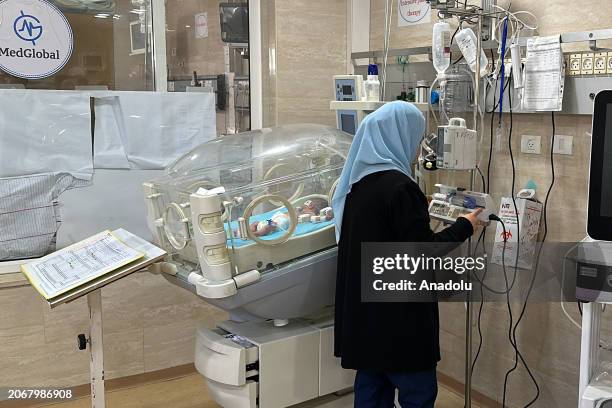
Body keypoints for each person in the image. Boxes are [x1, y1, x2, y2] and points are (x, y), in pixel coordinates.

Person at [331, 101, 481, 407]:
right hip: (399, 321)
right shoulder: (400, 187)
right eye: (416, 137)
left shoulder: (358, 185)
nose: (419, 148)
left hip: (366, 317)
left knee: (372, 389)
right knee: (418, 392)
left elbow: (386, 231)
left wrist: (418, 209)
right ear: (399, 136)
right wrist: (465, 226)